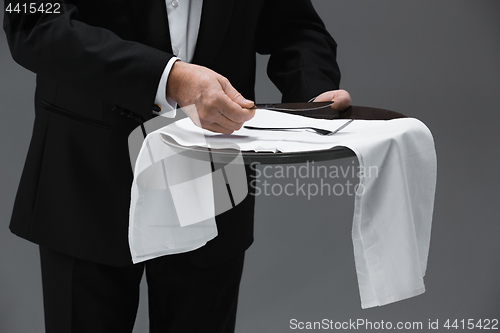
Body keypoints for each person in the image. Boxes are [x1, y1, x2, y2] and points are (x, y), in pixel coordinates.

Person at [4, 0, 351, 332]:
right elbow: (33, 23)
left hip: (214, 174)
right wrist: (169, 77)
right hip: (86, 177)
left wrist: (313, 97)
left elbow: (295, 25)